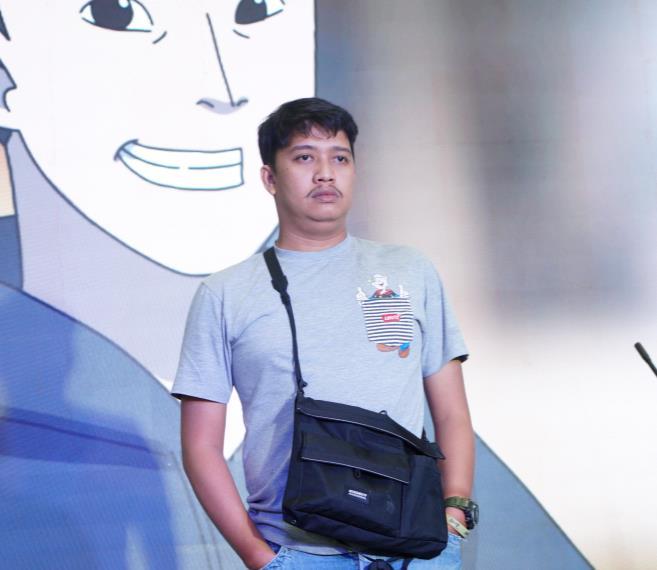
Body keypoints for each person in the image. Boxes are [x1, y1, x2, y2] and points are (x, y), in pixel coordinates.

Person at [172, 97, 476, 569]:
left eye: (340, 158)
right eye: (304, 157)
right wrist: (260, 558)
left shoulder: (408, 270)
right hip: (297, 553)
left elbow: (452, 411)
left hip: (416, 552)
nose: (325, 174)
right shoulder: (225, 293)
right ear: (270, 178)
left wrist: (454, 512)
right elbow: (200, 445)